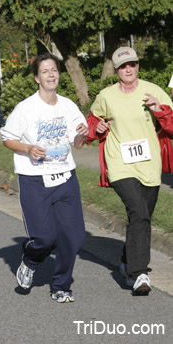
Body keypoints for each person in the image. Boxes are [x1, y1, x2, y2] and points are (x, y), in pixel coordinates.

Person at [0, 53, 88, 303]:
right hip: (35, 180)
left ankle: (61, 285)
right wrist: (28, 149)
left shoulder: (68, 106)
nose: (51, 75)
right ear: (37, 78)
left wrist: (83, 134)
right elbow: (7, 138)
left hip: (65, 177)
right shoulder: (26, 108)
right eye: (45, 71)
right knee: (44, 237)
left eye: (54, 70)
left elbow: (78, 144)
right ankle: (30, 259)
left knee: (74, 236)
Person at [87, 46, 173, 296]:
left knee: (142, 216)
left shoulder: (154, 91)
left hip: (149, 164)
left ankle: (127, 261)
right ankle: (140, 274)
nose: (129, 69)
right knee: (138, 211)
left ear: (138, 66)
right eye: (123, 66)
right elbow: (91, 122)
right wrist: (98, 128)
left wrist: (160, 110)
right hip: (119, 163)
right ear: (116, 70)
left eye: (132, 64)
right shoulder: (106, 95)